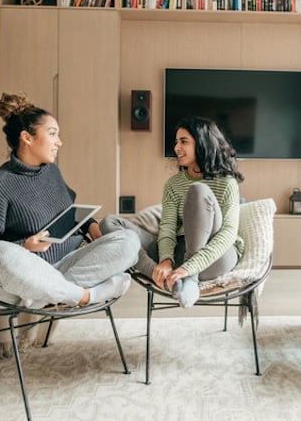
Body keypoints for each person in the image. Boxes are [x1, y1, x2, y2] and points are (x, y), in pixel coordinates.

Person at [0, 91, 139, 309]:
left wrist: (91, 226)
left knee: (129, 240)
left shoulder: (51, 172)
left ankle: (45, 295)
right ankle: (85, 296)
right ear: (27, 137)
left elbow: (69, 212)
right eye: (52, 134)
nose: (59, 142)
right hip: (20, 277)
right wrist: (24, 246)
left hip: (63, 267)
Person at [101, 116, 244, 308]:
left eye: (183, 141)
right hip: (179, 252)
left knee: (198, 190)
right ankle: (158, 273)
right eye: (176, 142)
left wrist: (189, 268)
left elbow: (228, 233)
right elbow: (167, 227)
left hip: (217, 257)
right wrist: (166, 260)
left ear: (202, 143)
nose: (176, 147)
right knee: (109, 223)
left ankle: (190, 279)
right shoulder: (173, 184)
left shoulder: (227, 183)